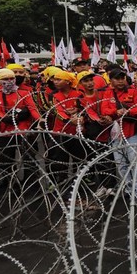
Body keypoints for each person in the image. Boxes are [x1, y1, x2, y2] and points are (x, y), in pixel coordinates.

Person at [0, 68, 40, 187]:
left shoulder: (23, 93)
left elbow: (32, 108)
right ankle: (10, 182)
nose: (9, 81)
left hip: (23, 130)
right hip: (5, 131)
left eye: (12, 78)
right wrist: (7, 118)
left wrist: (39, 120)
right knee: (5, 159)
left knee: (29, 158)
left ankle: (31, 183)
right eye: (5, 79)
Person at [101, 68, 137, 203]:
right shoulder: (108, 93)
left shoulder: (133, 91)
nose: (120, 81)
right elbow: (104, 109)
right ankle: (128, 189)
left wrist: (128, 112)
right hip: (116, 135)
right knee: (121, 165)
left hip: (131, 132)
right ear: (111, 80)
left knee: (135, 164)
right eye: (117, 78)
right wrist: (116, 111)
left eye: (122, 78)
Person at [49, 70, 87, 206]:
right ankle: (63, 189)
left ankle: (78, 187)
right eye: (55, 79)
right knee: (61, 163)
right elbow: (56, 111)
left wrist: (82, 116)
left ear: (68, 81)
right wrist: (68, 119)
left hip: (77, 133)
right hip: (60, 133)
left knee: (79, 161)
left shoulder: (78, 94)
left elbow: (85, 108)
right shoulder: (53, 95)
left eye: (59, 79)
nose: (55, 81)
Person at [77, 71, 115, 198]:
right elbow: (87, 111)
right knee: (98, 159)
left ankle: (111, 186)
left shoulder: (102, 93)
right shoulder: (81, 98)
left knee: (110, 158)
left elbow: (108, 105)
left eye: (90, 80)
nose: (89, 83)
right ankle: (102, 186)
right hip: (93, 130)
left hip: (107, 126)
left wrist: (107, 116)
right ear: (80, 83)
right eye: (85, 81)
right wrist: (97, 119)